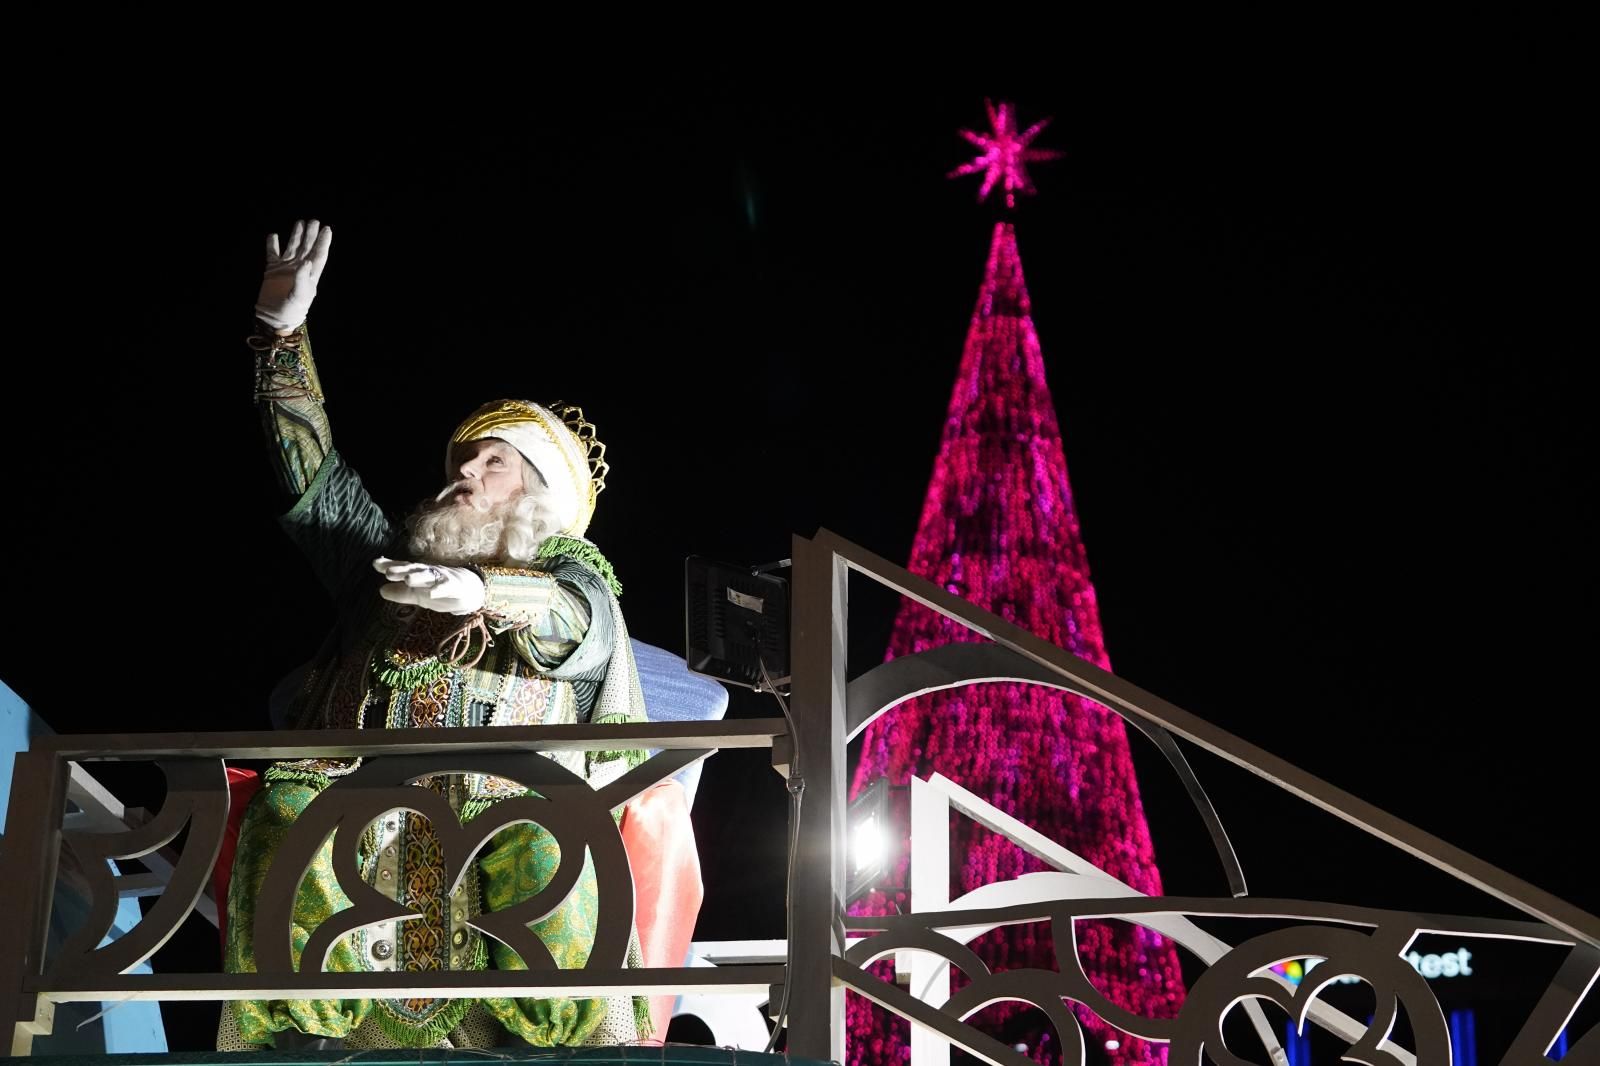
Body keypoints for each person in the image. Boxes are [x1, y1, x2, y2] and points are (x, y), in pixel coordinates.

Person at [220, 219, 654, 1051]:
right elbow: (312, 476)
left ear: (539, 499)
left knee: (546, 837)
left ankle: (550, 1043)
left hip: (506, 825)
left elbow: (580, 626)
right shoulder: (381, 573)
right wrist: (280, 340)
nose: (465, 470)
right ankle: (301, 1036)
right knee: (287, 808)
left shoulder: (570, 570)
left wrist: (489, 591)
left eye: (494, 462)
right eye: (464, 458)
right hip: (366, 824)